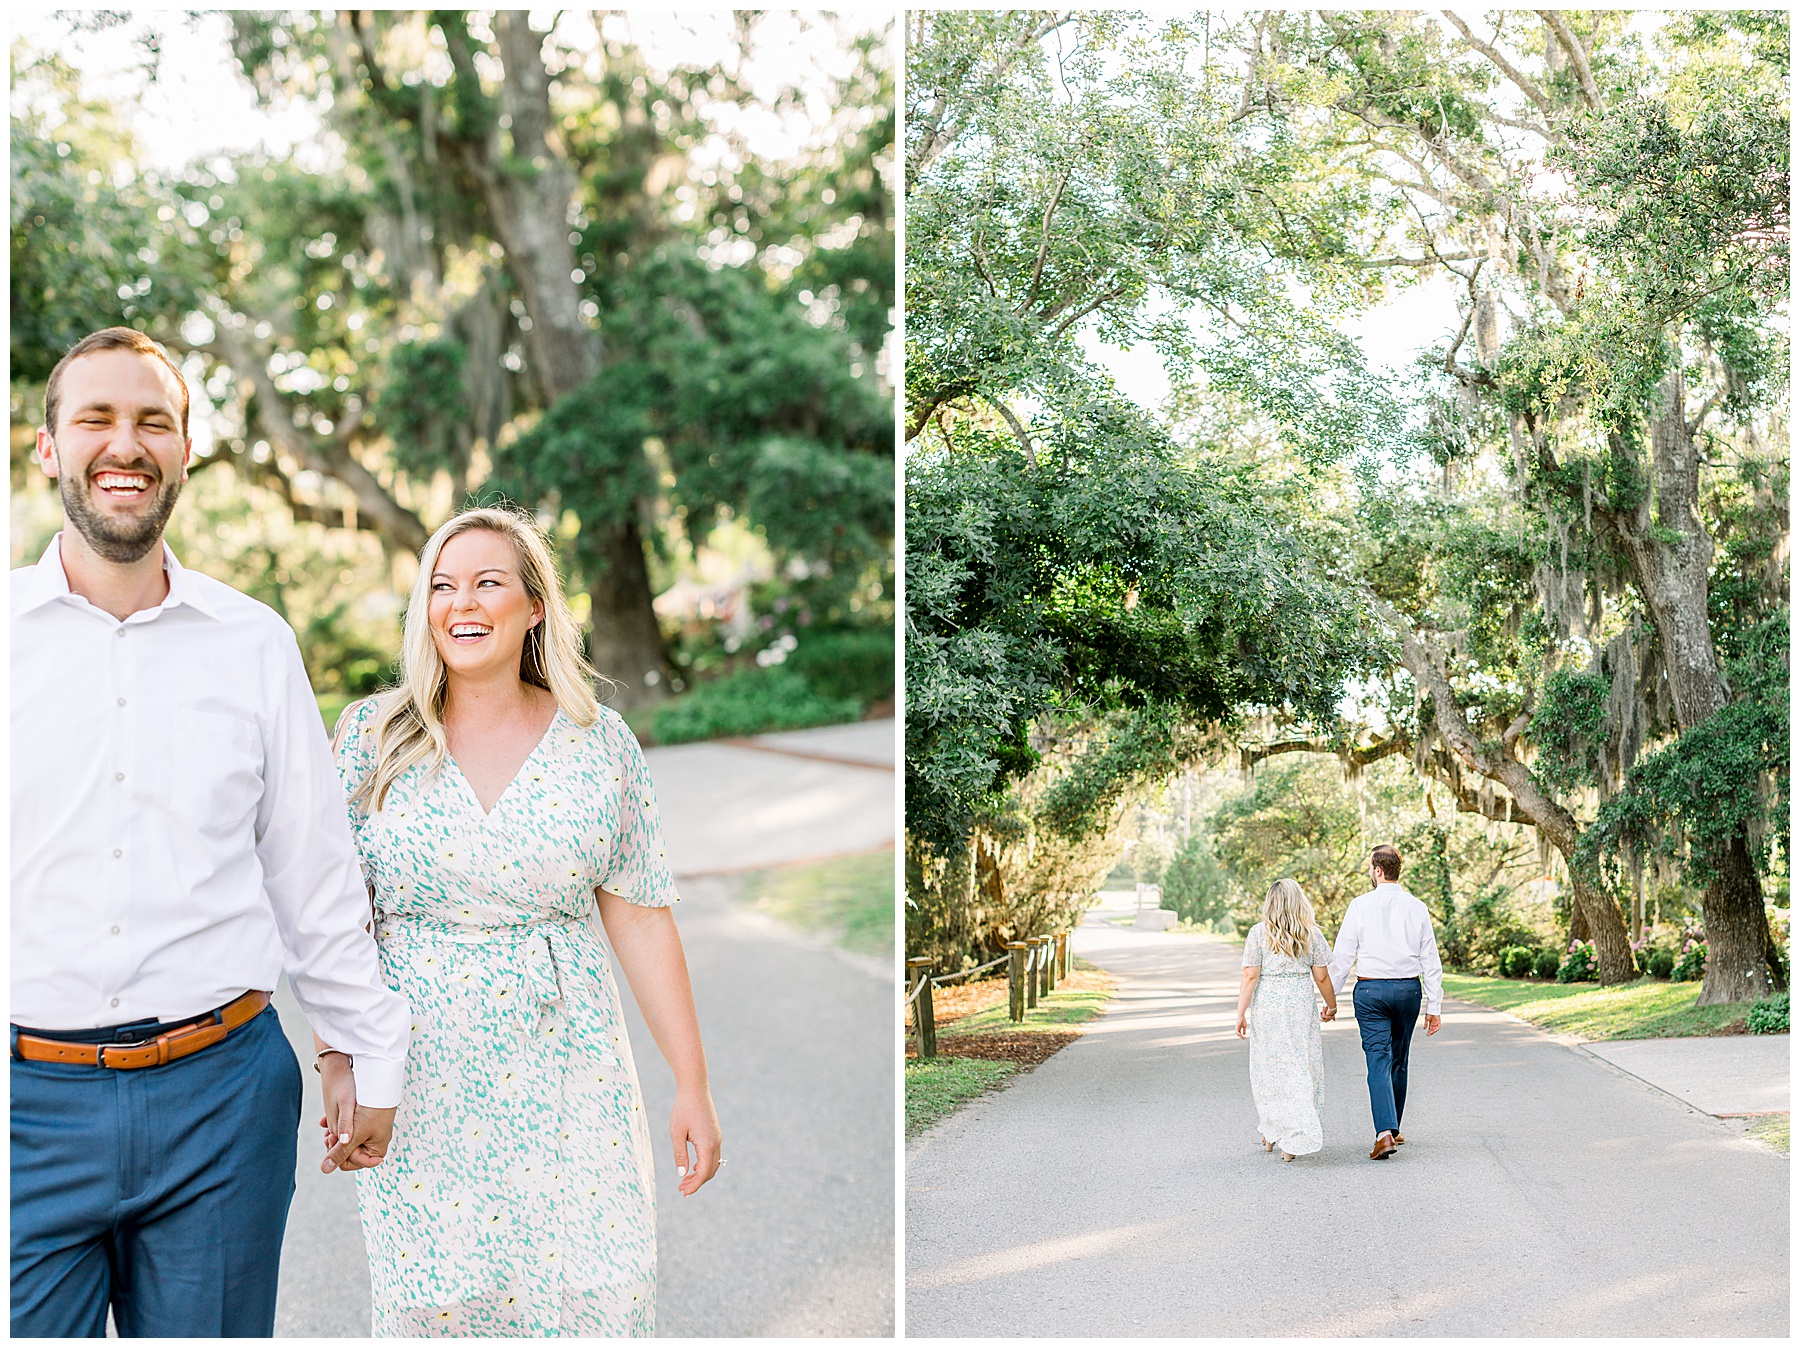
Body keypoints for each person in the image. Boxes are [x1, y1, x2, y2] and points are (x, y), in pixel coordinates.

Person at [11, 327, 411, 1337]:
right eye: (96, 418)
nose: (126, 444)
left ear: (186, 451)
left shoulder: (255, 643)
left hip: (221, 1102)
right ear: (49, 446)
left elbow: (312, 874)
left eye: (155, 422)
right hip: (22, 1110)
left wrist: (364, 1047)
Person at [325, 505, 723, 1337]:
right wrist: (339, 1060)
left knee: (593, 1295)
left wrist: (692, 1083)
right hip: (421, 1074)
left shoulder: (598, 743)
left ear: (534, 605)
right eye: (441, 584)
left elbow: (643, 920)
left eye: (486, 583)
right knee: (441, 1304)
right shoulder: (373, 736)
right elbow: (334, 919)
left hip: (571, 1068)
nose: (460, 602)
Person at [1326, 844, 1444, 1160]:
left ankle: (1384, 1134)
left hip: (1371, 993)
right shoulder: (1417, 907)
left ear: (1378, 870)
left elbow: (1343, 957)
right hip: (1408, 992)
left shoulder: (1360, 905)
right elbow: (1430, 958)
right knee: (1399, 1059)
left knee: (1378, 1058)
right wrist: (1434, 1006)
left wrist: (1329, 999)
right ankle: (1393, 1127)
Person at [1235, 878, 1338, 1160]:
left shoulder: (1258, 934)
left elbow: (1250, 975)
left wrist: (1240, 1012)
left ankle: (1273, 1130)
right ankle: (1289, 1139)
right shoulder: (1311, 934)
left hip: (1268, 1005)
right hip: (1299, 1005)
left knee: (1269, 1068)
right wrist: (1331, 1005)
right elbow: (1322, 976)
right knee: (1299, 1067)